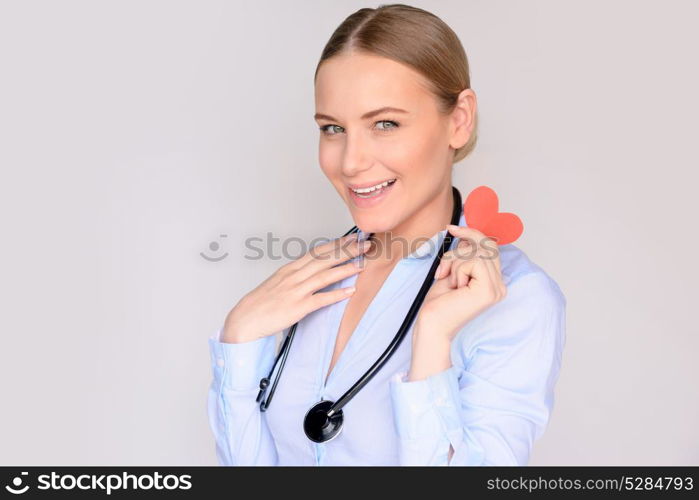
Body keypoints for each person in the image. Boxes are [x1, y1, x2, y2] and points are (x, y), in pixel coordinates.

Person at [206, 4, 566, 466]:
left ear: (459, 119)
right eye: (333, 128)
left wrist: (432, 341)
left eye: (385, 124)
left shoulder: (518, 299)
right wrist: (239, 339)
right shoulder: (315, 280)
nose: (351, 161)